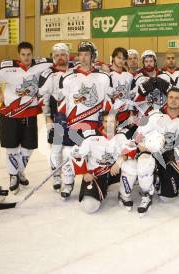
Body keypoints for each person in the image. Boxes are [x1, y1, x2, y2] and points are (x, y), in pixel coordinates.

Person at [0, 41, 52, 194]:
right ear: (19, 55)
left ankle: (19, 170)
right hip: (9, 114)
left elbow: (61, 61)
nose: (26, 57)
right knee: (11, 147)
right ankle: (13, 176)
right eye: (23, 55)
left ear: (32, 53)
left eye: (29, 54)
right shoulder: (7, 67)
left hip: (29, 114)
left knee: (28, 147)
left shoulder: (41, 64)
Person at [57, 41, 114, 200]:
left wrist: (107, 124)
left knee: (92, 156)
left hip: (93, 126)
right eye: (80, 54)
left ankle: (94, 182)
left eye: (86, 54)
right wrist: (60, 121)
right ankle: (68, 183)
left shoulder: (103, 77)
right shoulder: (68, 76)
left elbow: (107, 102)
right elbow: (62, 101)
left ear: (92, 56)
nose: (83, 58)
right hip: (74, 125)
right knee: (70, 153)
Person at [135, 87, 179, 202]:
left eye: (177, 98)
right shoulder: (154, 114)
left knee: (168, 197)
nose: (173, 100)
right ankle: (150, 179)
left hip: (171, 157)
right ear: (166, 99)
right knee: (145, 162)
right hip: (152, 153)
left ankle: (159, 179)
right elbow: (138, 134)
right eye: (171, 97)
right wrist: (142, 148)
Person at [70, 111, 126, 214]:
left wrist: (119, 162)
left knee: (131, 165)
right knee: (90, 207)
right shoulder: (91, 136)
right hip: (96, 174)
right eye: (106, 121)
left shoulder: (122, 135)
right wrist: (84, 173)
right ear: (102, 123)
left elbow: (130, 150)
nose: (109, 125)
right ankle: (103, 187)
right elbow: (76, 153)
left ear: (117, 123)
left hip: (115, 172)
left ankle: (124, 194)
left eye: (112, 122)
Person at [38, 43, 74, 192]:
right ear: (53, 57)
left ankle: (69, 176)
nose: (60, 58)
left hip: (74, 119)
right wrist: (47, 117)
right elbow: (42, 97)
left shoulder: (74, 70)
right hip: (57, 118)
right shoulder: (48, 74)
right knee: (57, 148)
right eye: (57, 55)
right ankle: (56, 175)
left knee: (72, 148)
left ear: (68, 55)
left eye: (63, 54)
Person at [132, 50, 172, 116]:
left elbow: (174, 95)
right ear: (143, 63)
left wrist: (167, 90)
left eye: (151, 61)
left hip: (162, 114)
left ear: (155, 62)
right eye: (146, 61)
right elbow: (133, 101)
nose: (148, 64)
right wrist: (141, 93)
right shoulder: (138, 78)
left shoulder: (165, 76)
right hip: (144, 115)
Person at [107, 47, 135, 129]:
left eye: (123, 58)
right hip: (111, 116)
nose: (121, 60)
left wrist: (131, 114)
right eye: (119, 57)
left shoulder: (129, 76)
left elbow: (130, 96)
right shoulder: (106, 75)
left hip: (125, 116)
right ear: (113, 58)